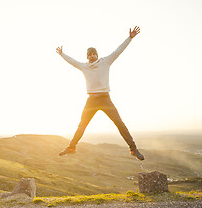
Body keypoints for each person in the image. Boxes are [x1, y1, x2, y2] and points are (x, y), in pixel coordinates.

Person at [56, 26, 144, 160]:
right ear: (87, 57)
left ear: (97, 54)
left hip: (105, 99)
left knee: (119, 123)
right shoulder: (84, 66)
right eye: (90, 54)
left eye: (94, 53)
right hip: (91, 100)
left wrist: (130, 38)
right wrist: (62, 54)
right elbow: (72, 61)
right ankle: (71, 147)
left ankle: (133, 149)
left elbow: (119, 50)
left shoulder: (106, 61)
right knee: (82, 125)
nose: (92, 56)